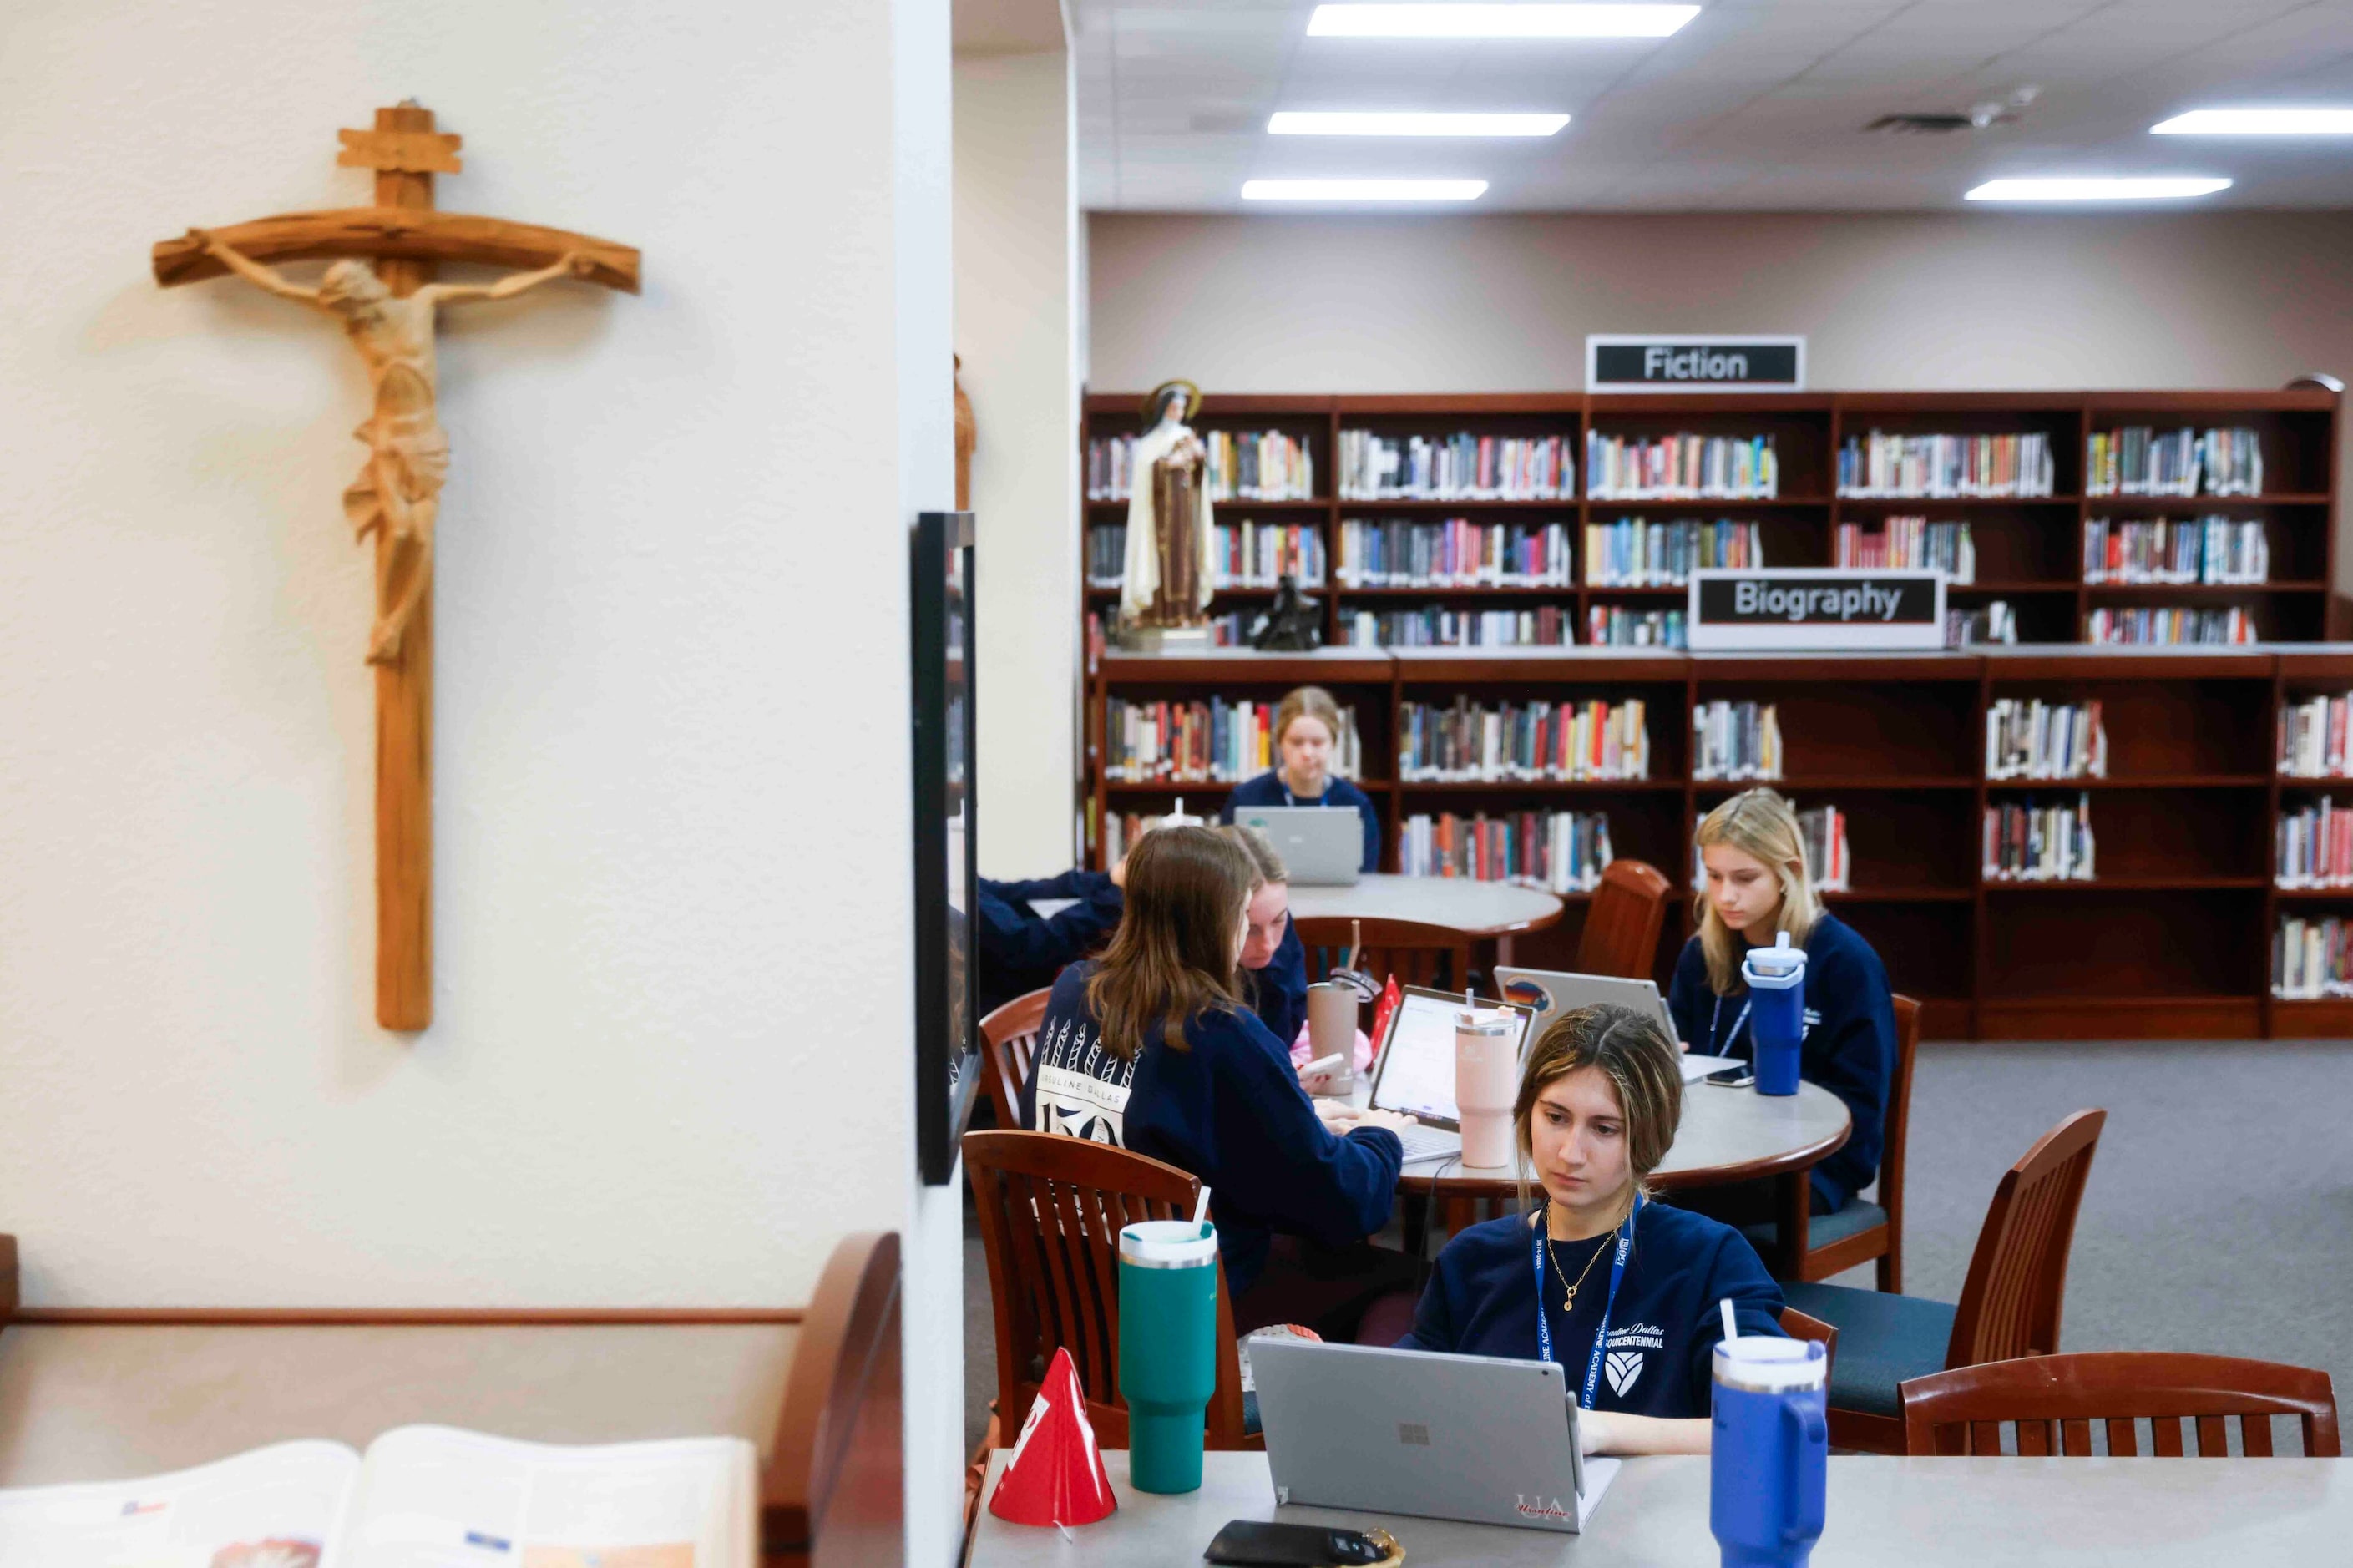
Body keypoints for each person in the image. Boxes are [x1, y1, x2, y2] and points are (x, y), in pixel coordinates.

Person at [1021, 825, 1418, 1339]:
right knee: (1417, 1282)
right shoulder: (1218, 1030)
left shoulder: (1074, 986)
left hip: (1074, 1283)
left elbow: (1158, 1118)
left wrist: (1289, 1118)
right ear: (1217, 922)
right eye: (1241, 917)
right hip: (1184, 1308)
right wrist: (1380, 1136)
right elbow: (1342, 1204)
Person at [1395, 1004, 1787, 1454]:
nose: (1569, 1152)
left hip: (1655, 1516)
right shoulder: (1471, 1259)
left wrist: (1595, 1432)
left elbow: (1763, 1426)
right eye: (1555, 1117)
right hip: (1501, 1515)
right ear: (1526, 1114)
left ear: (1649, 1139)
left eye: (1604, 1129)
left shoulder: (1710, 1259)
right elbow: (1403, 1403)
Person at [1667, 787, 1896, 1222]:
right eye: (1714, 876)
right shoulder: (1702, 952)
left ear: (1788, 873)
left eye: (1745, 878)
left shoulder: (1846, 964)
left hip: (1811, 1161)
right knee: (1595, 1179)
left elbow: (1861, 1105)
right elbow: (1676, 1042)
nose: (1725, 896)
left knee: (1657, 1207)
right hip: (1711, 1143)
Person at [1219, 685, 1381, 873]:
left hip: (1338, 901)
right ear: (1280, 743)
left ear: (1333, 743)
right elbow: (1226, 874)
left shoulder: (1357, 805)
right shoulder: (1244, 800)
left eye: (1318, 743)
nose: (1307, 753)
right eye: (1297, 742)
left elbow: (1367, 877)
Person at [975, 862, 1126, 1017]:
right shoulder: (957, 890)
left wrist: (1107, 880)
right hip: (1002, 1016)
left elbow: (1014, 892)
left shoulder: (961, 879)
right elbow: (1027, 943)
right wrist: (1113, 898)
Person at [1218, 824, 1309, 1050]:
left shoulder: (1283, 932)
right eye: (1250, 929)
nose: (1268, 946)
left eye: (1279, 920)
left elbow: (1284, 1037)